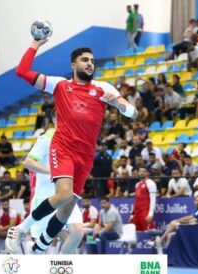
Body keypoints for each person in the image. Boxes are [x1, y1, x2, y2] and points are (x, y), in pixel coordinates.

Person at [7, 38, 137, 254]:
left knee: (66, 212)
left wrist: (119, 105)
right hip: (63, 147)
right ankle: (21, 229)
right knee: (64, 195)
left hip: (85, 156)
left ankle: (38, 248)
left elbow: (133, 112)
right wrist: (35, 45)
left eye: (92, 61)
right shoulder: (60, 85)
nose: (90, 64)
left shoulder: (103, 88)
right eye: (84, 60)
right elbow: (22, 71)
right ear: (73, 65)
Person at [21, 110, 84, 254]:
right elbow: (28, 162)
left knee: (77, 232)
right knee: (40, 244)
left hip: (67, 195)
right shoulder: (46, 138)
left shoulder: (73, 140)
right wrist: (53, 171)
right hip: (46, 198)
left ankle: (61, 268)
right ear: (55, 119)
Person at [129, 167, 156, 231]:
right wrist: (132, 214)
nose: (142, 173)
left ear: (148, 173)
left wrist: (150, 214)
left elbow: (153, 199)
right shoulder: (137, 184)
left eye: (144, 171)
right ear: (138, 173)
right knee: (136, 233)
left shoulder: (151, 183)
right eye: (140, 171)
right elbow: (136, 200)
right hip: (137, 213)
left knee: (149, 232)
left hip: (145, 212)